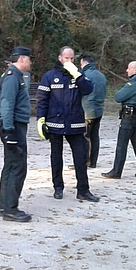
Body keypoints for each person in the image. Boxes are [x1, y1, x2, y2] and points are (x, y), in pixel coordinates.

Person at [36, 47, 99, 203]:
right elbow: (42, 99)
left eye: (72, 58)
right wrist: (41, 119)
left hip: (75, 123)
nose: (69, 61)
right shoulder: (49, 76)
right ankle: (58, 187)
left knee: (81, 156)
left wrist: (77, 75)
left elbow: (88, 89)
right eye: (66, 58)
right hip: (55, 123)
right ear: (59, 58)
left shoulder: (79, 75)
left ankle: (83, 190)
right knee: (56, 157)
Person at [0, 46, 33, 223]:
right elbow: (7, 104)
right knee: (17, 166)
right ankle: (10, 209)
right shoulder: (12, 77)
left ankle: (4, 206)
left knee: (11, 165)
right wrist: (9, 131)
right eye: (29, 59)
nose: (31, 62)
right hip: (13, 127)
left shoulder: (15, 76)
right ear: (22, 59)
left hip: (14, 125)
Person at [102, 61, 136, 179]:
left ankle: (116, 172)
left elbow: (118, 97)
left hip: (129, 115)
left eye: (129, 68)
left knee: (122, 144)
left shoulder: (133, 83)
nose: (127, 71)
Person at [80, 55, 107, 168]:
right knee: (95, 136)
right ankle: (93, 161)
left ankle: (84, 162)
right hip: (99, 109)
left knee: (84, 136)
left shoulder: (84, 75)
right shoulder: (101, 76)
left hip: (87, 109)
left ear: (84, 63)